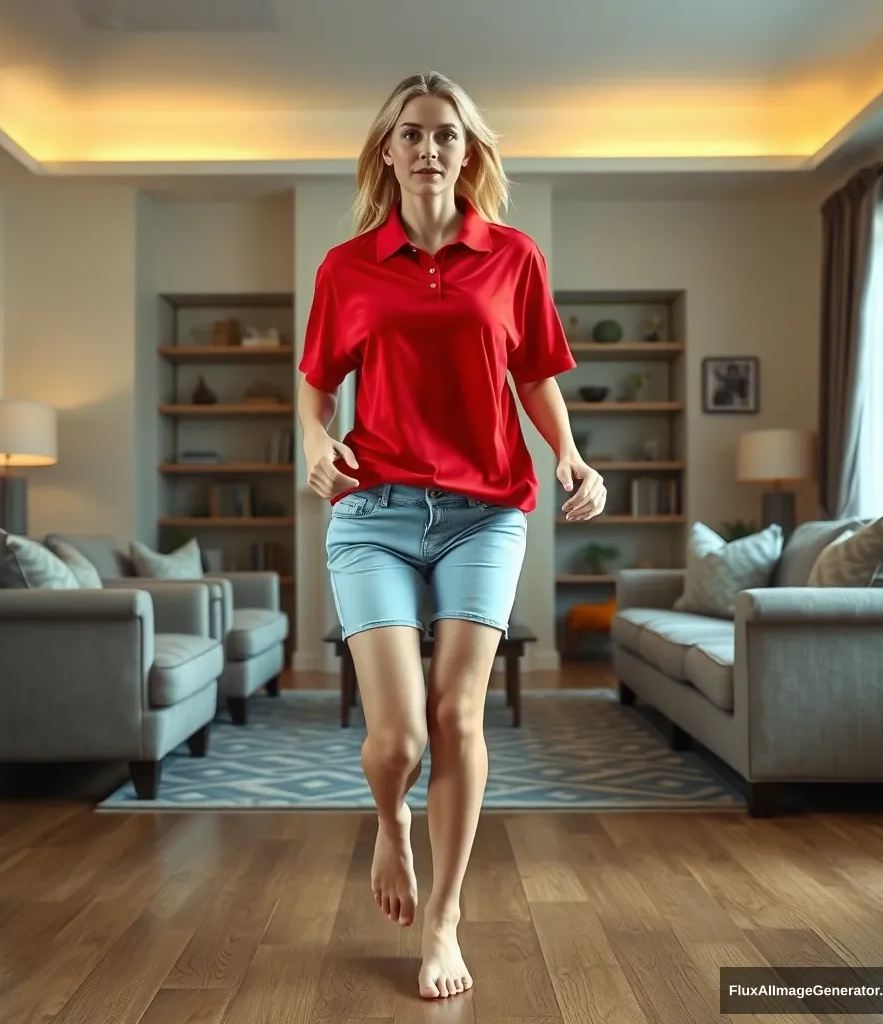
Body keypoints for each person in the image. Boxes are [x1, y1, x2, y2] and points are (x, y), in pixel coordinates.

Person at [296, 70, 606, 1000]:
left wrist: (572, 458)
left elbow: (536, 375)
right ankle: (390, 827)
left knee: (456, 715)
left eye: (445, 135)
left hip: (486, 511)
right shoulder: (346, 267)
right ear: (386, 153)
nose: (429, 149)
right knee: (394, 740)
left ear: (468, 152)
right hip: (373, 512)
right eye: (412, 135)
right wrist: (315, 446)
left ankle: (444, 921)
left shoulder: (514, 257)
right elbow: (315, 389)